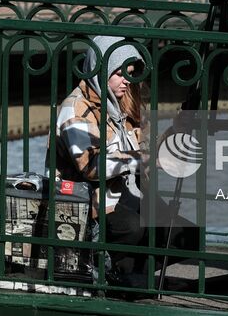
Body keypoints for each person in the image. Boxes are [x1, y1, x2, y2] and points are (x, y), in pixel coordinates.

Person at [54, 35, 195, 292]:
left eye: (129, 73)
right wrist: (141, 159)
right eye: (119, 74)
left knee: (188, 235)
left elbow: (149, 151)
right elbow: (91, 166)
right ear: (99, 71)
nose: (126, 80)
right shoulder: (74, 108)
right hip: (93, 204)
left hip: (130, 196)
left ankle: (125, 272)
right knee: (132, 228)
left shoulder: (125, 104)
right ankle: (97, 267)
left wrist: (178, 129)